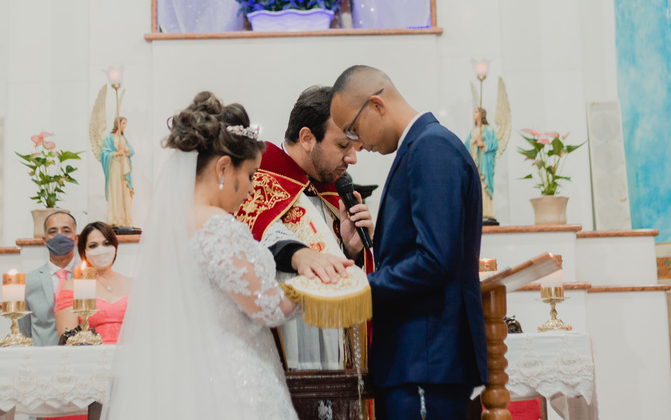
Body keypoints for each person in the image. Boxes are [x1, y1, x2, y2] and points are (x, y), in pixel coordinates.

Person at [103, 91, 300, 419]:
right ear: (224, 167)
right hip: (231, 381)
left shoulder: (170, 226)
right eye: (250, 174)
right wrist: (309, 289)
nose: (253, 187)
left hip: (186, 379)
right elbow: (268, 307)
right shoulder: (216, 226)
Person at [329, 66, 487, 420]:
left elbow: (436, 259)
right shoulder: (420, 147)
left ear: (376, 105)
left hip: (426, 359)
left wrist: (361, 288)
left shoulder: (431, 148)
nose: (357, 145)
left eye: (353, 129)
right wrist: (361, 253)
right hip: (417, 360)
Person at [234, 85, 370, 370]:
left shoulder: (332, 189)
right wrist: (298, 255)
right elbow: (255, 236)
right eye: (342, 146)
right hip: (284, 340)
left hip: (334, 351)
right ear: (307, 138)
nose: (352, 158)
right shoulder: (257, 176)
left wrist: (351, 250)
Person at [54, 221, 130, 344]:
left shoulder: (132, 284)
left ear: (115, 247)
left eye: (106, 244)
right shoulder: (72, 287)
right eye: (93, 246)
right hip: (91, 353)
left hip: (131, 352)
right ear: (84, 251)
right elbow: (68, 339)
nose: (101, 250)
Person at [19, 209, 78, 346]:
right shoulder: (28, 281)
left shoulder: (90, 277)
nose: (60, 236)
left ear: (76, 239)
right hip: (42, 355)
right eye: (53, 231)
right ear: (44, 241)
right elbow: (25, 331)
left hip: (81, 353)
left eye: (66, 231)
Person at [99, 117, 135, 230]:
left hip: (124, 169)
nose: (125, 126)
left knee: (125, 192)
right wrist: (116, 153)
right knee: (115, 191)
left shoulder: (123, 138)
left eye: (125, 123)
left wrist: (124, 150)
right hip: (114, 168)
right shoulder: (109, 138)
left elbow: (131, 151)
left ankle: (126, 220)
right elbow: (104, 153)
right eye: (123, 123)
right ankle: (115, 219)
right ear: (117, 124)